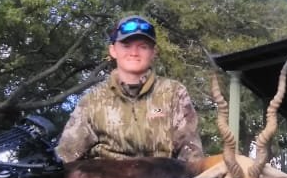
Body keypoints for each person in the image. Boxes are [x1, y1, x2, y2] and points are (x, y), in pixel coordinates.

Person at [55, 14, 205, 166]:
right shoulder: (92, 101)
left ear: (153, 53)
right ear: (113, 51)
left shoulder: (174, 93)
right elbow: (66, 155)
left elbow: (192, 157)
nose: (134, 52)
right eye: (126, 46)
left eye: (143, 46)